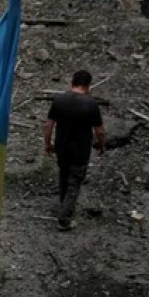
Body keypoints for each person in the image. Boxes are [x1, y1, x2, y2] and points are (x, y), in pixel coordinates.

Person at [43, 70, 106, 231]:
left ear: (72, 83)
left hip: (61, 147)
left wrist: (48, 143)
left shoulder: (59, 100)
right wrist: (101, 144)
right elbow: (99, 130)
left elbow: (48, 125)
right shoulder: (91, 104)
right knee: (75, 183)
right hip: (80, 150)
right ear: (88, 86)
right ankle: (64, 219)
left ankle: (64, 205)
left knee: (64, 176)